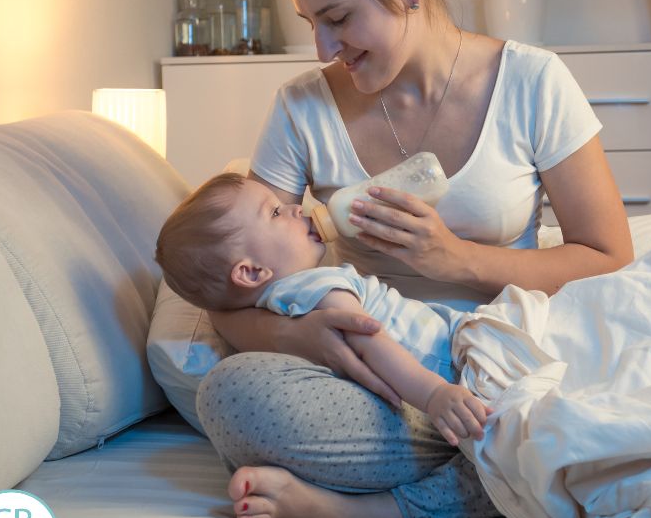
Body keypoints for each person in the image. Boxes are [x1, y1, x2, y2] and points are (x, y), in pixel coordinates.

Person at [199, 0, 634, 518]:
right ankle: (505, 467)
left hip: (499, 364)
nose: (323, 49)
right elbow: (232, 294)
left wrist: (459, 260)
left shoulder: (532, 82)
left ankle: (381, 501)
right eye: (312, 23)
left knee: (598, 396)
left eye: (338, 18)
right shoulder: (301, 108)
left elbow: (609, 258)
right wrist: (304, 336)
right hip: (379, 381)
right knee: (229, 396)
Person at [155, 172, 492, 450]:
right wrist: (433, 394)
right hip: (456, 356)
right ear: (251, 272)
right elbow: (368, 339)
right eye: (275, 212)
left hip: (454, 350)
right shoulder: (312, 287)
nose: (296, 209)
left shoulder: (281, 303)